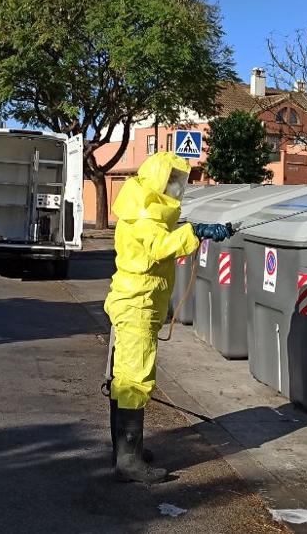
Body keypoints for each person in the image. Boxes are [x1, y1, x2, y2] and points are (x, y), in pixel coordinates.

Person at [103, 152, 231, 483]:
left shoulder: (145, 206)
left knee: (125, 376)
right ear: (160, 179)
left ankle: (125, 450)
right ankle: (128, 462)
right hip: (137, 305)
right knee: (135, 378)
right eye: (173, 181)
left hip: (136, 301)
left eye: (180, 181)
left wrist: (191, 231)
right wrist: (195, 231)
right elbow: (159, 247)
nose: (178, 187)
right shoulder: (146, 212)